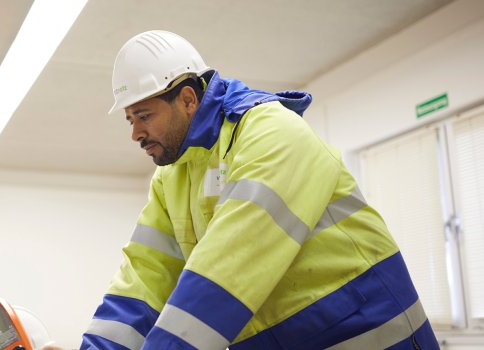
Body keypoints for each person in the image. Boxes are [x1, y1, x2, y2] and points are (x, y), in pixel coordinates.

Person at [78, 30, 440, 350]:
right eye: (130, 120)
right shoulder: (172, 177)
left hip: (374, 336)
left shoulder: (270, 132)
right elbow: (143, 277)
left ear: (188, 100)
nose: (135, 134)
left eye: (144, 116)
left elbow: (224, 273)